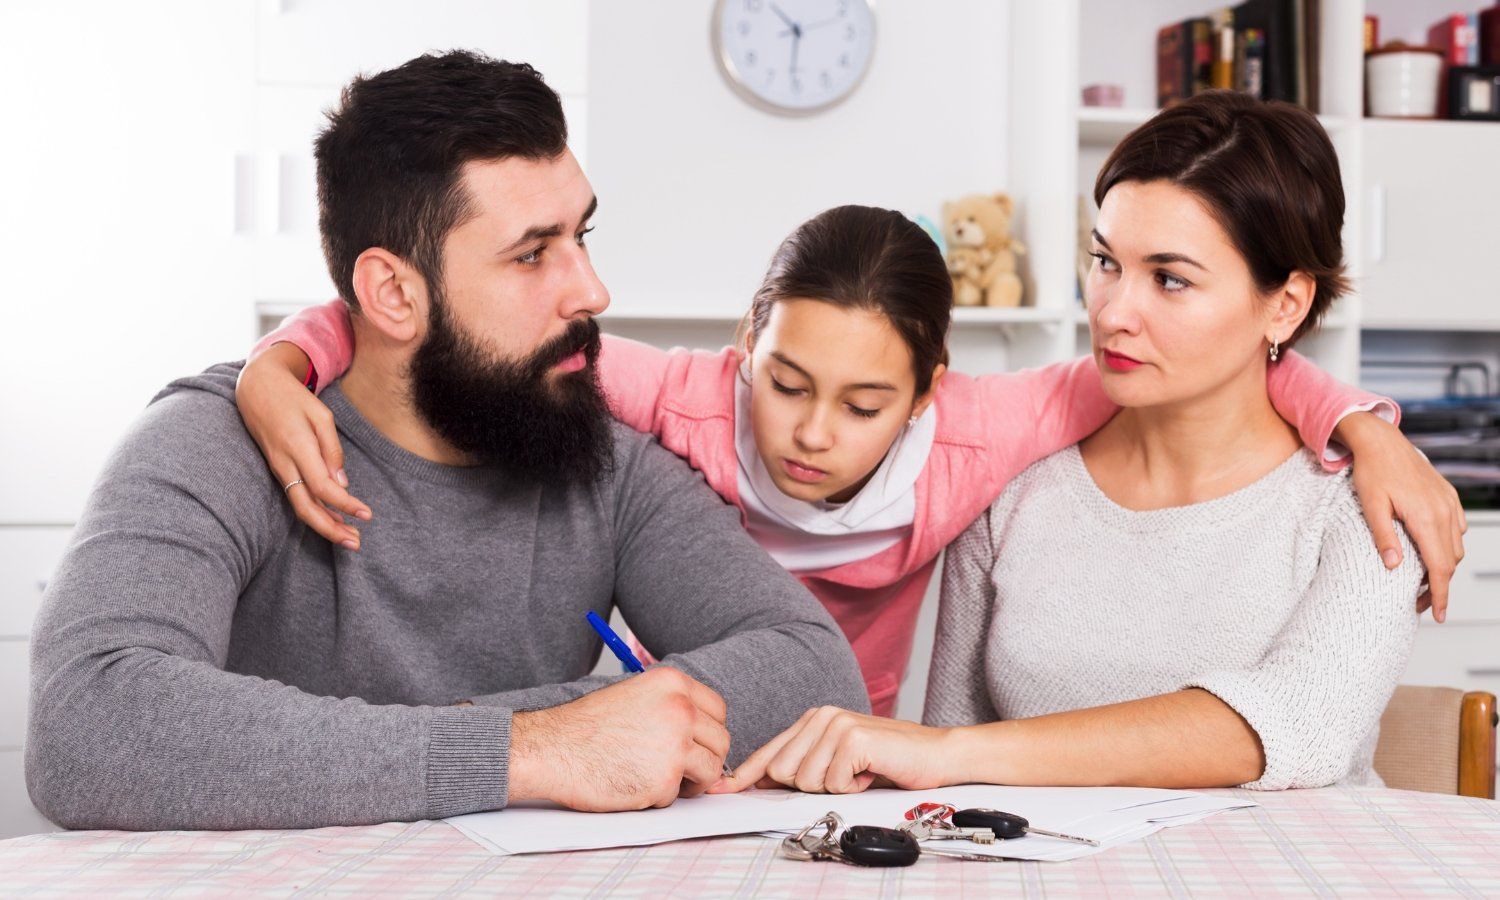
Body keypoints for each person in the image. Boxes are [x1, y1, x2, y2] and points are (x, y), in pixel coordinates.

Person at [25, 51, 868, 832]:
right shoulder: (220, 441)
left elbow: (812, 671)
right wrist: (537, 747)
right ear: (392, 292)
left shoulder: (600, 458)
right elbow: (88, 722)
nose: (595, 290)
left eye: (582, 236)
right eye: (533, 255)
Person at [241, 206, 1462, 716]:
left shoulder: (995, 427)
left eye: (865, 402)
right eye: (785, 385)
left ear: (929, 394)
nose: (812, 433)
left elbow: (1198, 359)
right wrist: (279, 363)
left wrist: (1361, 425)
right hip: (676, 746)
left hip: (852, 759)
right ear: (742, 352)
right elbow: (462, 323)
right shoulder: (678, 396)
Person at [711, 91, 1431, 794]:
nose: (1115, 312)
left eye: (1170, 280)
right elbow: (948, 773)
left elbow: (1300, 725)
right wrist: (944, 758)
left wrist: (954, 753)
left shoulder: (1367, 495)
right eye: (1106, 262)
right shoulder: (1018, 483)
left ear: (1287, 303)